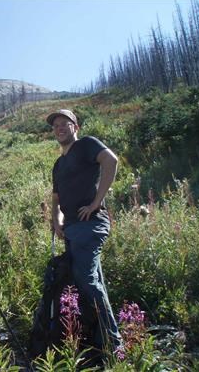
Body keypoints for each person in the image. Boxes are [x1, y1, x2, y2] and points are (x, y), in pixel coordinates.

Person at [47, 109, 122, 358]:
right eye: (55, 125)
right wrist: (56, 219)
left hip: (90, 224)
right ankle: (98, 338)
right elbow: (56, 198)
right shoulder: (58, 164)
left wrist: (97, 203)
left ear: (75, 127)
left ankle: (114, 343)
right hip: (71, 228)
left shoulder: (87, 145)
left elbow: (111, 161)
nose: (59, 127)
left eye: (65, 123)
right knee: (90, 280)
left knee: (86, 280)